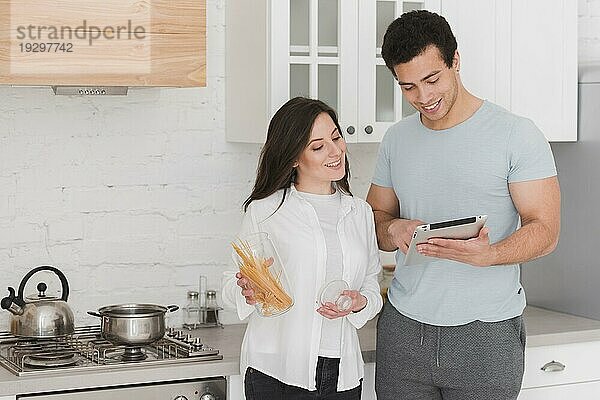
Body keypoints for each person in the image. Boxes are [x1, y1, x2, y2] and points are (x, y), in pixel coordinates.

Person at [367, 10, 560, 400]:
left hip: (486, 334)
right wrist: (394, 229)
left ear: (455, 61)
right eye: (408, 87)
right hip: (404, 329)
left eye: (431, 79)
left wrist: (489, 255)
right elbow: (372, 218)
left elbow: (546, 229)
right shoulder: (397, 139)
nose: (423, 97)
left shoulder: (516, 134)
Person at [222, 97, 382, 400]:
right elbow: (230, 284)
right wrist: (247, 290)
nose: (336, 151)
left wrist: (360, 301)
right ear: (294, 157)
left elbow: (372, 287)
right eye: (318, 147)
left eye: (336, 137)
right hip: (277, 370)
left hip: (342, 373)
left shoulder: (359, 212)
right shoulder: (265, 211)